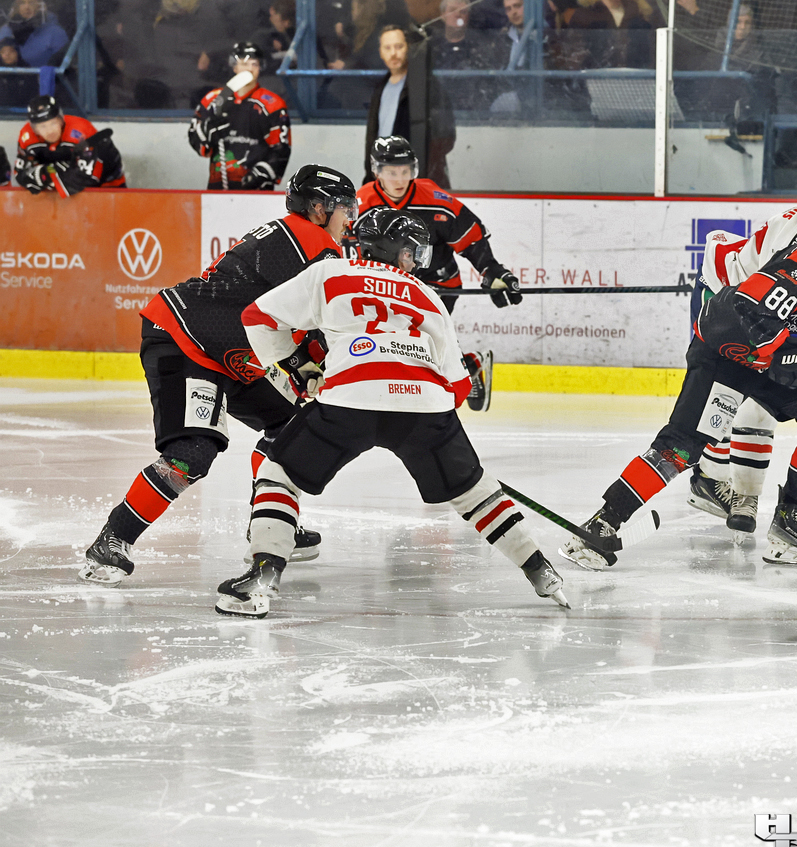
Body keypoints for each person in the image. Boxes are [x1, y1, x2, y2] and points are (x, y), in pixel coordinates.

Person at [214, 208, 566, 618]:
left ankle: (262, 577)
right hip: (425, 405)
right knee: (475, 493)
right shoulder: (427, 295)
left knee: (279, 475)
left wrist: (299, 366)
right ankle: (541, 571)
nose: (416, 261)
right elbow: (457, 387)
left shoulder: (331, 273)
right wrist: (435, 429)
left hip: (350, 397)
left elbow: (257, 317)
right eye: (414, 252)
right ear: (401, 253)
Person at [556, 195, 797, 568]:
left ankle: (789, 525)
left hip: (772, 365)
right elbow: (751, 305)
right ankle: (601, 525)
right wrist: (789, 348)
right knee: (682, 447)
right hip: (729, 352)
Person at [77, 165, 356, 586]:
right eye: (343, 208)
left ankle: (271, 521)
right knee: (191, 452)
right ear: (319, 208)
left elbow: (289, 321)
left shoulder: (299, 238)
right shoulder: (316, 244)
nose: (349, 218)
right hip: (186, 342)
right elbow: (330, 320)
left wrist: (308, 360)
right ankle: (114, 537)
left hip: (228, 352)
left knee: (292, 426)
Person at [691, 161, 797, 541]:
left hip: (753, 304)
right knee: (740, 399)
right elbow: (764, 312)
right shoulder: (794, 242)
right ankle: (722, 485)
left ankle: (721, 482)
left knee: (757, 396)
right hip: (722, 297)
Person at [357, 135, 521, 320]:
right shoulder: (362, 205)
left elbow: (471, 239)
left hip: (436, 284)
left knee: (422, 334)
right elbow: (345, 248)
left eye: (405, 171)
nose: (400, 180)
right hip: (383, 285)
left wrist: (491, 270)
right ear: (377, 171)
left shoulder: (436, 201)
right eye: (392, 173)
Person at [189, 41, 292, 189]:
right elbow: (198, 143)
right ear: (234, 67)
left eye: (254, 64)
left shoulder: (273, 104)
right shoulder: (213, 100)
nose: (249, 69)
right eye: (244, 64)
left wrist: (260, 175)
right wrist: (207, 129)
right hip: (219, 186)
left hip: (257, 189)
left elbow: (280, 149)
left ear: (260, 68)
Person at [363, 25, 456, 188]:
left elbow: (445, 136)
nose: (393, 53)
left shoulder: (427, 88)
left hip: (417, 182)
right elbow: (372, 138)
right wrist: (371, 178)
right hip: (384, 181)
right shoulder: (379, 89)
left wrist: (416, 170)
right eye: (387, 48)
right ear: (380, 52)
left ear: (409, 48)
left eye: (399, 46)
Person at [14, 95, 125, 195]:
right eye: (43, 126)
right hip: (64, 189)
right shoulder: (27, 137)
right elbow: (21, 174)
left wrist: (46, 174)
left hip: (108, 183)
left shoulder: (81, 131)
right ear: (35, 129)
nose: (50, 131)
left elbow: (85, 179)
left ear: (60, 120)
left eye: (53, 123)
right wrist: (52, 172)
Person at [0, 0, 68, 71]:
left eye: (31, 2)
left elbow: (64, 66)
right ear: (17, 6)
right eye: (22, 3)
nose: (27, 7)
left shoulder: (55, 33)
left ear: (39, 5)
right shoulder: (5, 31)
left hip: (44, 78)